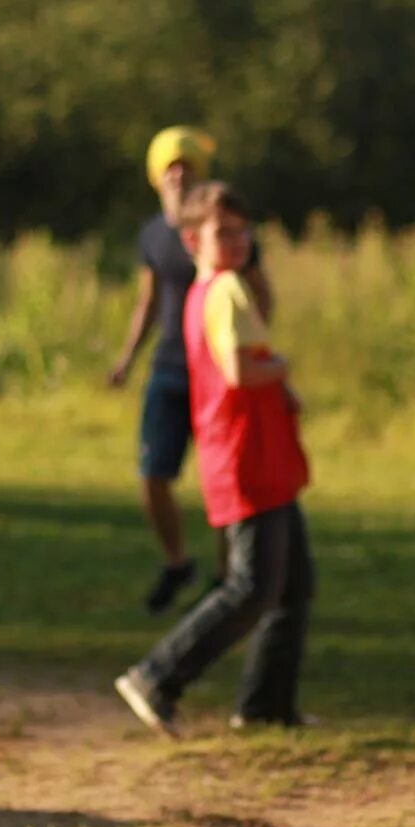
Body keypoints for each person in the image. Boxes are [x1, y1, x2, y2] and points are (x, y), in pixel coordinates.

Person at [114, 182, 313, 735]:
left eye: (242, 230)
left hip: (259, 455)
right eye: (221, 232)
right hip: (246, 458)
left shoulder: (210, 290)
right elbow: (239, 371)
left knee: (294, 586)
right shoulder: (225, 289)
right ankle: (158, 675)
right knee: (250, 588)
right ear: (191, 239)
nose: (235, 241)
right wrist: (283, 368)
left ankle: (265, 706)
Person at [108, 126, 269, 614]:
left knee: (219, 479)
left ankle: (226, 578)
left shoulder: (225, 230)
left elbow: (261, 293)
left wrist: (253, 347)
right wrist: (126, 357)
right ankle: (178, 562)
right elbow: (148, 301)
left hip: (216, 375)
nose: (179, 175)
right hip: (170, 369)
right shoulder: (154, 235)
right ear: (156, 177)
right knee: (153, 473)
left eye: (187, 166)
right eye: (170, 167)